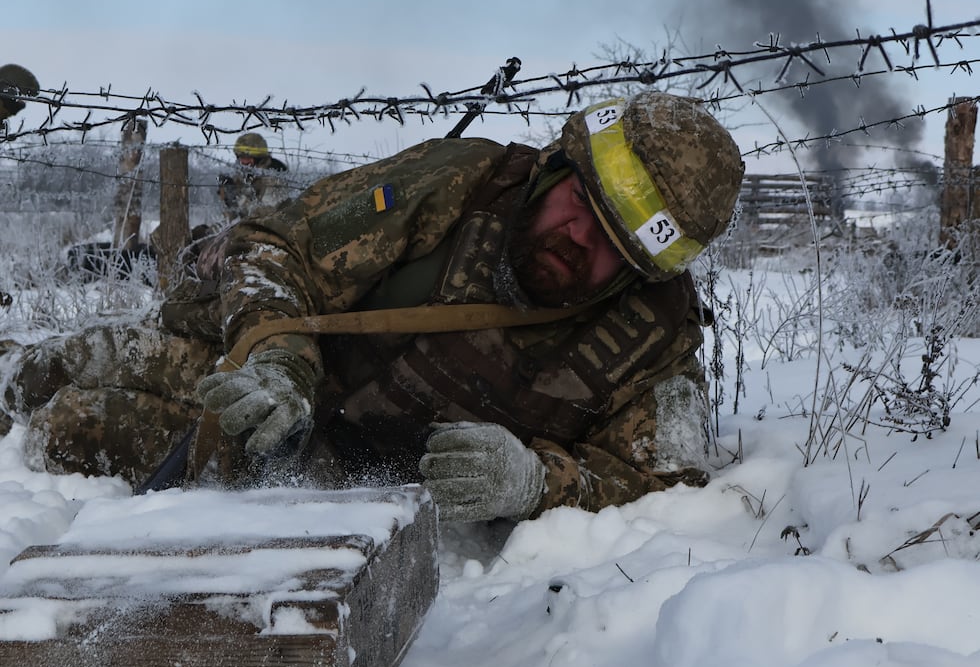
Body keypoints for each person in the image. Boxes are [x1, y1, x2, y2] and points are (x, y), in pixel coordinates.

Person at [2, 91, 744, 523]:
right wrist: (279, 364)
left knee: (74, 423)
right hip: (270, 383)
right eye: (578, 203)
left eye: (613, 244)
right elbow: (275, 246)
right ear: (555, 169)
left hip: (335, 480)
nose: (578, 241)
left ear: (642, 269)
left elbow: (661, 485)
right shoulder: (463, 182)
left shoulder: (653, 335)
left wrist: (535, 482)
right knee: (53, 365)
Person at [217, 132, 289, 223]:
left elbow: (264, 213)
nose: (243, 162)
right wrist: (227, 196)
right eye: (240, 157)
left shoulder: (275, 176)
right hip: (245, 228)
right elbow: (231, 219)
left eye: (247, 158)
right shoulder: (244, 175)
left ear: (259, 158)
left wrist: (236, 199)